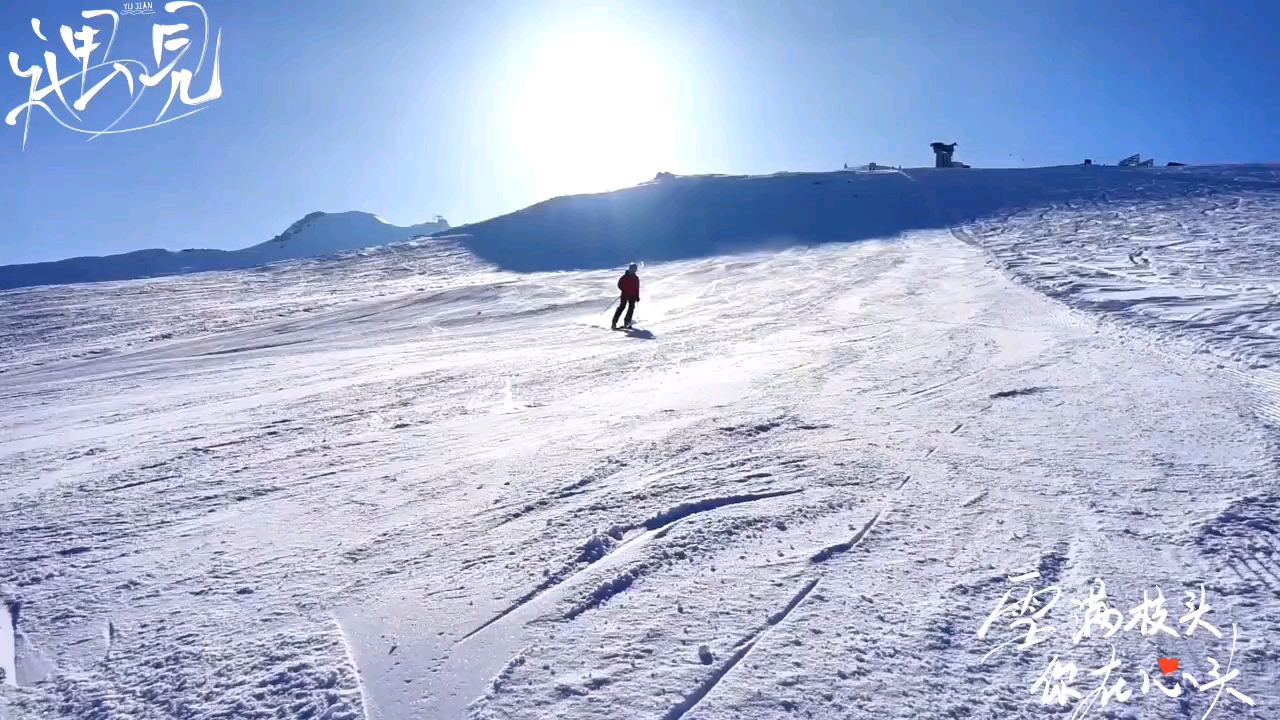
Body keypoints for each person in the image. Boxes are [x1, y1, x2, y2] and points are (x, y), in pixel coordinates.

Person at [612, 263, 640, 330]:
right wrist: (624, 290)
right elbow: (619, 285)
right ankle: (614, 323)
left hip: (632, 296)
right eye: (633, 269)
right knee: (622, 307)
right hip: (625, 295)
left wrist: (637, 296)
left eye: (635, 269)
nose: (634, 270)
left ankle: (627, 322)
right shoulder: (625, 277)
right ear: (630, 269)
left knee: (631, 308)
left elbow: (637, 288)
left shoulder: (636, 278)